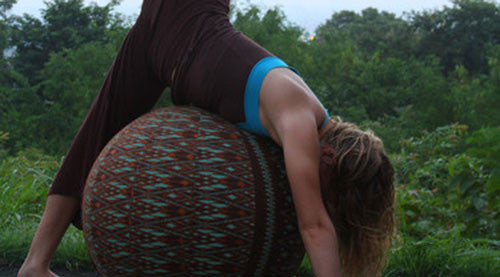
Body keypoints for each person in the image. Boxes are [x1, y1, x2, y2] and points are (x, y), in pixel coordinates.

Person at [18, 1, 395, 276]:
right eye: (333, 195)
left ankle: (35, 265)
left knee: (95, 133)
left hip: (163, 38)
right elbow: (313, 226)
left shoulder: (298, 120)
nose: (323, 200)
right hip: (187, 17)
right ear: (329, 158)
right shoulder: (299, 121)